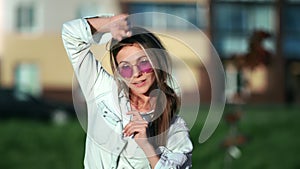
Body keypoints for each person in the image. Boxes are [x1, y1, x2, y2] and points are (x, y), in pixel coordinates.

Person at [62, 14, 193, 169]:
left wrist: (147, 146)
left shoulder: (175, 129)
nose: (136, 73)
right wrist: (109, 24)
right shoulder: (101, 89)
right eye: (125, 67)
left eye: (143, 62)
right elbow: (70, 34)